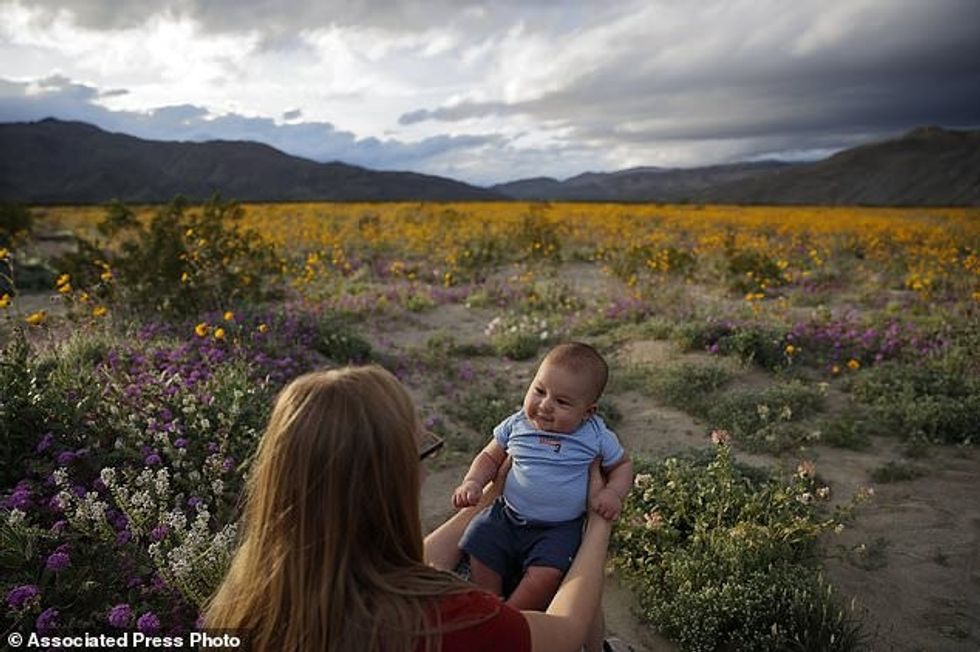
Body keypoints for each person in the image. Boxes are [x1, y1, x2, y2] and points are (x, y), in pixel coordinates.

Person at [204, 364, 616, 652]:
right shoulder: (445, 618)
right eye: (419, 453)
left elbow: (407, 562)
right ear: (389, 481)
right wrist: (597, 525)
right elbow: (564, 632)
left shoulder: (251, 601)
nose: (421, 473)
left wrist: (487, 502)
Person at [452, 342, 634, 611]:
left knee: (547, 574)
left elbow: (622, 466)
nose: (545, 405)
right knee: (479, 542)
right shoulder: (517, 424)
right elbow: (490, 456)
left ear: (588, 412)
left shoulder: (595, 435)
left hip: (558, 528)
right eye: (539, 391)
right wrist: (473, 481)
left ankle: (514, 615)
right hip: (507, 515)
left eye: (561, 402)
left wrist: (612, 492)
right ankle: (490, 604)